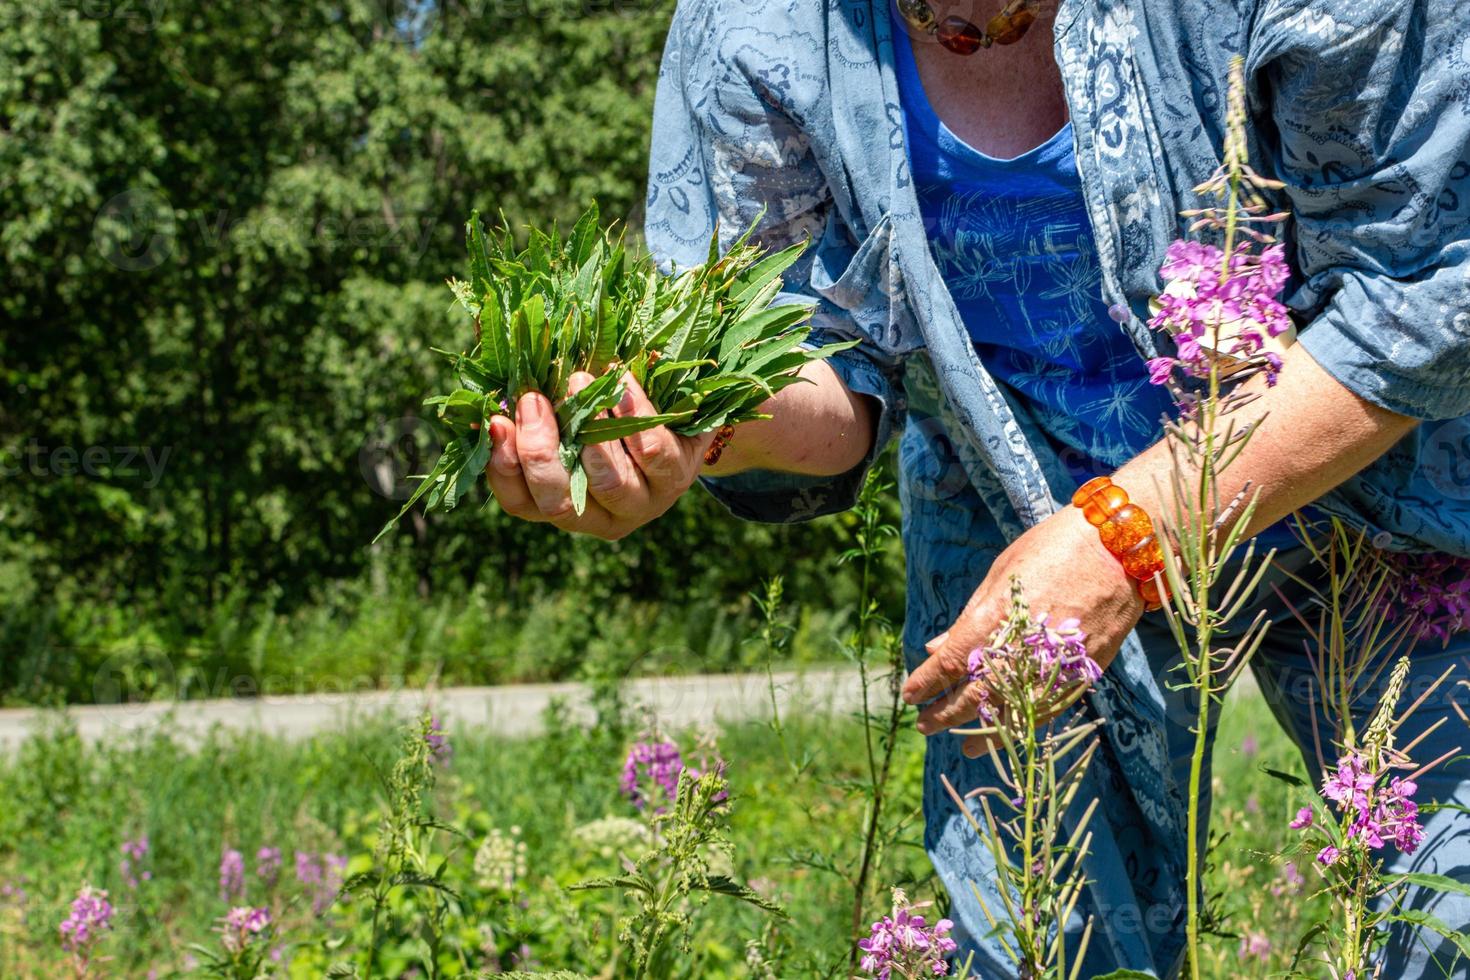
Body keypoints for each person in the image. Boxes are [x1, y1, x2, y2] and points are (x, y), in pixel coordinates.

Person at [481, 0, 1470, 974]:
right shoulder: (756, 27)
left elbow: (1428, 292)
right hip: (1023, 522)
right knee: (1045, 938)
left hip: (1389, 504)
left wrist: (1126, 531)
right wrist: (692, 422)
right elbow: (828, 363)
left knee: (1452, 915)